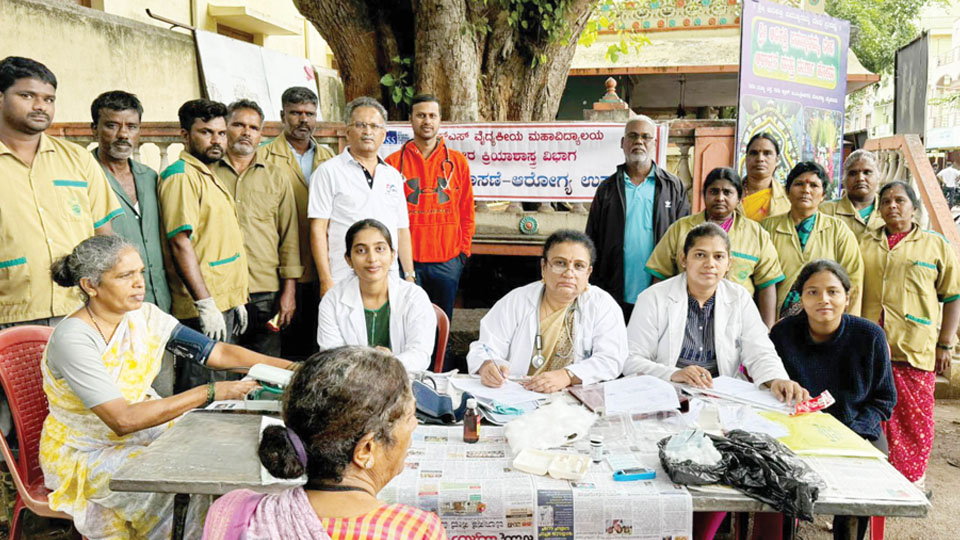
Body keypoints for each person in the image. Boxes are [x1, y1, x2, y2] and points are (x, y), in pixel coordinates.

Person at [40, 235, 292, 540]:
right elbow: (123, 420)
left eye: (140, 273)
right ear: (90, 286)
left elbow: (218, 353)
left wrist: (293, 369)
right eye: (125, 276)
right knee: (184, 475)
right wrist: (210, 393)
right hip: (86, 452)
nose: (138, 283)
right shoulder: (74, 339)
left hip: (141, 433)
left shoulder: (144, 317)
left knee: (219, 453)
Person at [202, 346, 447, 540]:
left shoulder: (236, 513)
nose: (414, 426)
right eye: (409, 417)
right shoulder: (415, 532)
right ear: (365, 450)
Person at [769, 259, 896, 540]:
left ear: (847, 298)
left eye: (833, 292)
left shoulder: (870, 336)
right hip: (796, 428)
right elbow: (769, 388)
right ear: (801, 298)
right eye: (812, 292)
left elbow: (884, 400)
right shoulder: (783, 334)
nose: (823, 300)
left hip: (856, 428)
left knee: (860, 484)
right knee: (777, 476)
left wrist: (852, 433)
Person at [0, 56, 122, 329]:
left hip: (79, 312)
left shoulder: (77, 160)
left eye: (49, 99)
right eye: (27, 95)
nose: (40, 106)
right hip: (9, 316)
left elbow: (104, 239)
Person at [624, 223, 808, 400]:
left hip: (722, 396)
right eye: (700, 255)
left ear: (729, 263)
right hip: (667, 391)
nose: (710, 264)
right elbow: (632, 359)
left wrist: (777, 379)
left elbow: (760, 352)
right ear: (683, 259)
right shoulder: (653, 297)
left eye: (719, 257)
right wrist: (674, 373)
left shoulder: (739, 298)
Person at [859, 181, 960, 491]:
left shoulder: (935, 245)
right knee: (872, 419)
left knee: (913, 420)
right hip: (870, 349)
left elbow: (953, 295)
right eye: (886, 201)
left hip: (914, 348)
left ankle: (910, 485)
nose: (892, 206)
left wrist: (946, 344)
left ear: (913, 207)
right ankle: (870, 488)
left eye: (900, 200)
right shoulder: (864, 243)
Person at [158, 99, 249, 392]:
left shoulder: (206, 172)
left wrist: (234, 297)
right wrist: (205, 304)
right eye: (206, 132)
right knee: (204, 391)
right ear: (185, 135)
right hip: (203, 307)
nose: (216, 140)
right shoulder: (181, 176)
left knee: (225, 387)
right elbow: (180, 243)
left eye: (221, 133)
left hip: (222, 300)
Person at [468, 230, 627, 393]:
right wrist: (487, 365)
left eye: (578, 266)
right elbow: (485, 347)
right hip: (516, 394)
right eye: (560, 263)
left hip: (574, 399)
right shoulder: (516, 301)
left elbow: (611, 359)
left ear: (588, 273)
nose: (569, 273)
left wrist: (567, 376)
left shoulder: (602, 305)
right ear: (544, 267)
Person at [385, 94, 475, 370]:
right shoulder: (392, 162)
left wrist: (462, 253)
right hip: (406, 265)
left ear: (440, 121)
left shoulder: (456, 162)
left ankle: (440, 377)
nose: (427, 121)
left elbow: (466, 210)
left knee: (441, 325)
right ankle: (407, 377)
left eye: (432, 116)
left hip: (446, 261)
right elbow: (386, 215)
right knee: (404, 326)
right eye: (420, 115)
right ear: (410, 120)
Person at [211, 99, 301, 357]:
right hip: (220, 289)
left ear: (261, 134)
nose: (246, 132)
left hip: (265, 290)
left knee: (264, 368)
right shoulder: (207, 173)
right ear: (226, 128)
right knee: (223, 365)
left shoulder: (276, 176)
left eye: (253, 127)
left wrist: (289, 293)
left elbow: (289, 238)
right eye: (238, 124)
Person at [645, 167, 784, 328]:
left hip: (737, 322)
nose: (720, 198)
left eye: (727, 192)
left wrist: (767, 331)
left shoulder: (756, 234)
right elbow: (660, 275)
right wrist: (657, 320)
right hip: (685, 319)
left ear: (739, 198)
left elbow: (767, 284)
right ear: (704, 195)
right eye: (714, 192)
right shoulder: (680, 229)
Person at [258, 86, 336, 360]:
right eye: (296, 113)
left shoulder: (330, 159)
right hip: (281, 269)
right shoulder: (262, 158)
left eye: (309, 114)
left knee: (323, 346)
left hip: (324, 267)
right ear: (282, 115)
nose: (303, 120)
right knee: (286, 350)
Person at [586, 116, 690, 321]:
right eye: (633, 136)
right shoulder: (607, 190)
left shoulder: (673, 187)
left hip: (661, 291)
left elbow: (684, 240)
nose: (639, 142)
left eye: (645, 137)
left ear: (655, 143)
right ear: (622, 143)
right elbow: (591, 240)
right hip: (614, 293)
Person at [308, 96, 414, 295]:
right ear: (348, 132)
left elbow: (401, 229)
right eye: (360, 125)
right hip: (342, 277)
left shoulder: (393, 176)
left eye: (374, 126)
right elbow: (318, 229)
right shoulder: (328, 172)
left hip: (387, 279)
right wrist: (325, 279)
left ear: (383, 134)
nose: (368, 132)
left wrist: (409, 275)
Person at [90, 90, 172, 313]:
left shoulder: (150, 177)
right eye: (112, 125)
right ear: (94, 129)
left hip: (160, 302)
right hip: (112, 306)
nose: (123, 134)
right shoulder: (84, 177)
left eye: (131, 127)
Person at [317, 219, 436, 372]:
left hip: (403, 384)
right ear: (348, 260)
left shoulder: (414, 297)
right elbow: (331, 358)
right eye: (361, 251)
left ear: (393, 255)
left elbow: (420, 355)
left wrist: (389, 362)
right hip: (350, 387)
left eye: (380, 249)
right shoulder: (332, 300)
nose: (372, 259)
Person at [760, 161, 863, 318]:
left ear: (823, 195)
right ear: (787, 191)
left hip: (826, 320)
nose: (806, 190)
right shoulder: (767, 228)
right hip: (776, 321)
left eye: (814, 185)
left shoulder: (838, 230)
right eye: (799, 184)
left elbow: (854, 280)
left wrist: (849, 325)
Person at [819, 149, 884, 239]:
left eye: (867, 172)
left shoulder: (890, 210)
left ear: (878, 177)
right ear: (843, 179)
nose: (860, 178)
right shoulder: (825, 212)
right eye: (853, 173)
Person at [739, 132, 791, 221]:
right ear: (746, 159)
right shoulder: (730, 193)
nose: (760, 159)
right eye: (754, 153)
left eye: (767, 153)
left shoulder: (788, 197)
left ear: (777, 160)